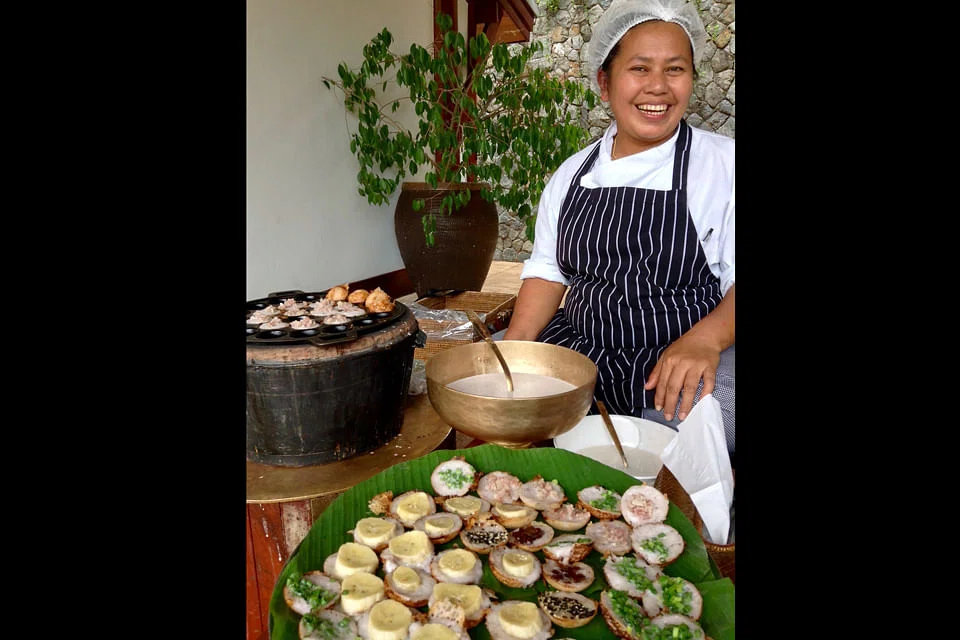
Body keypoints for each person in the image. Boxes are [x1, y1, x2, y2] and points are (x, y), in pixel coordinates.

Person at [502, 0, 735, 456]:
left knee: (703, 437)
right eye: (640, 68)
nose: (658, 86)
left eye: (675, 69)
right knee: (487, 382)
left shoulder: (723, 165)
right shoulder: (572, 174)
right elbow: (548, 272)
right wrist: (513, 354)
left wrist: (704, 341)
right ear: (605, 84)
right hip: (580, 349)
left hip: (681, 354)